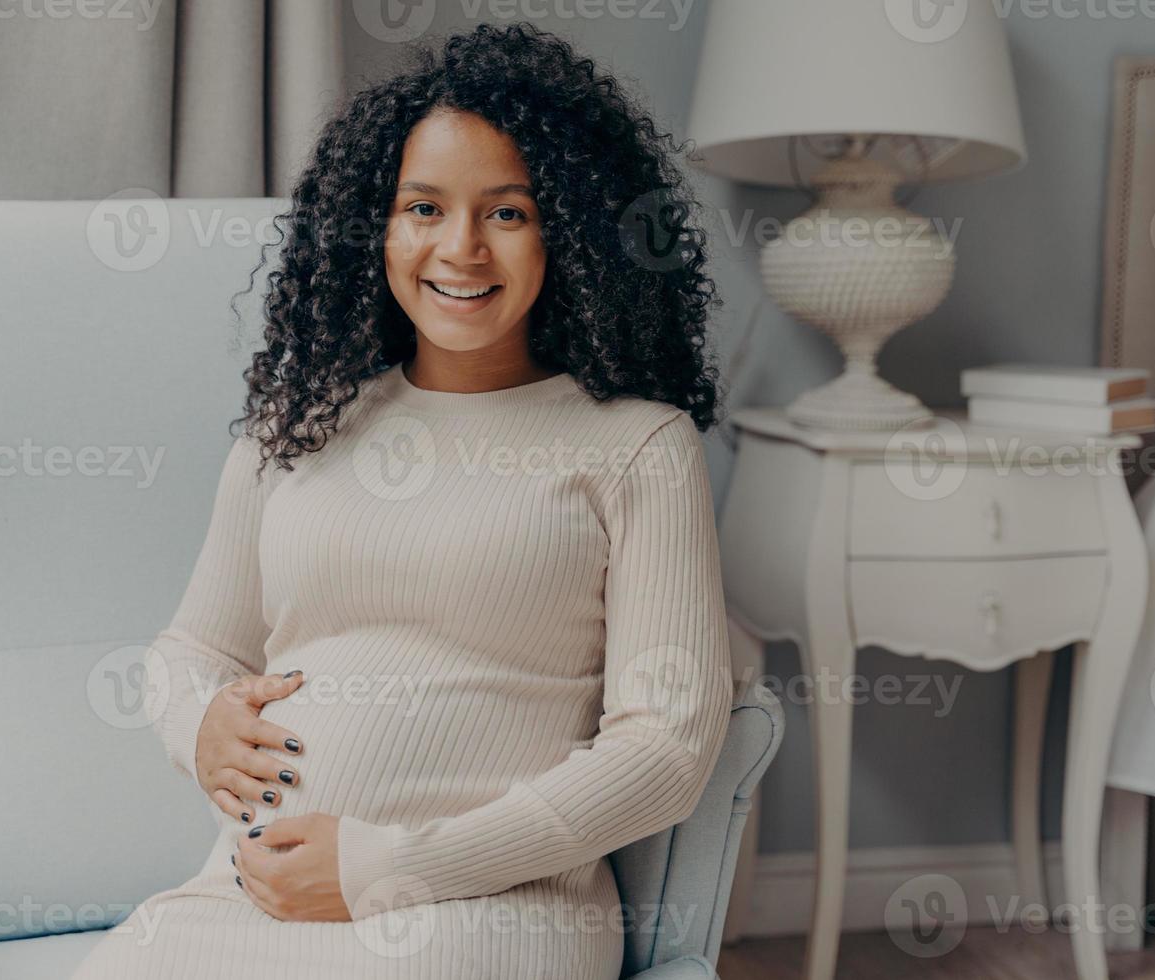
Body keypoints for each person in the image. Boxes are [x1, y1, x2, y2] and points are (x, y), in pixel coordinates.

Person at [71, 21, 733, 980]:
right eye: (422, 206)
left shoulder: (636, 448)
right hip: (248, 896)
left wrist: (392, 865)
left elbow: (665, 749)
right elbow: (191, 651)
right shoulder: (295, 429)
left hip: (487, 911)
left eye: (507, 213)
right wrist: (198, 722)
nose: (459, 248)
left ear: (574, 232)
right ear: (374, 226)